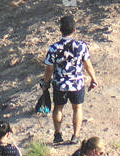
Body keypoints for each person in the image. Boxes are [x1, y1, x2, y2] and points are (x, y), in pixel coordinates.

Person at [42, 15, 97, 145]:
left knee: (58, 108)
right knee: (77, 108)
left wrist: (45, 82)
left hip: (60, 84)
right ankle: (75, 135)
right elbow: (87, 65)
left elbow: (49, 68)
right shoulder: (81, 46)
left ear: (60, 30)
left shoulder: (54, 48)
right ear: (75, 30)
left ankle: (57, 134)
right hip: (77, 83)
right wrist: (93, 78)